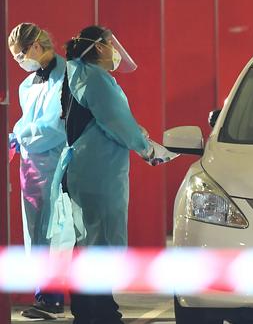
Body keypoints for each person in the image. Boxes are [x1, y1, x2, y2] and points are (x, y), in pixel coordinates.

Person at [50, 25, 153, 324]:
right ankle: (103, 312)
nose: (116, 51)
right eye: (110, 45)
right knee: (101, 243)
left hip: (83, 169)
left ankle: (86, 311)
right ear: (98, 48)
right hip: (98, 171)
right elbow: (117, 122)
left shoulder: (76, 74)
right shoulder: (95, 78)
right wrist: (145, 147)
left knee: (86, 243)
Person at [7, 23, 67, 320]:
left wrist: (23, 132)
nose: (20, 60)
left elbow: (56, 126)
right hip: (30, 167)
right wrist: (17, 135)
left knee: (54, 232)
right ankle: (43, 296)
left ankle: (52, 299)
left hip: (56, 163)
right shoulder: (27, 85)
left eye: (20, 54)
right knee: (35, 234)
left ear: (35, 46)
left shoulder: (66, 78)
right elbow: (25, 120)